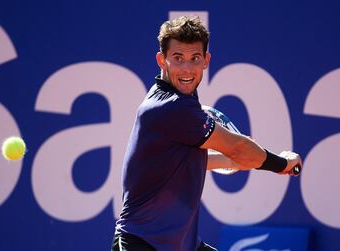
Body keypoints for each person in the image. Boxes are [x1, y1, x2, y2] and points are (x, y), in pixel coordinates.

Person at [112, 15, 302, 251]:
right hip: (141, 244)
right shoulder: (171, 107)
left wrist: (233, 161)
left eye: (195, 58)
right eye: (178, 58)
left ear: (206, 60)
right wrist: (282, 163)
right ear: (162, 60)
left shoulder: (178, 100)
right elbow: (239, 148)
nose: (187, 68)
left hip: (183, 245)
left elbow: (181, 161)